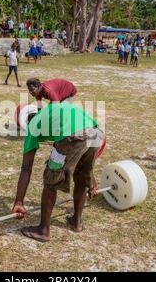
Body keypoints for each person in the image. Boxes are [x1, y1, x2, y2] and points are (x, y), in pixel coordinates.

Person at [11, 102, 104, 242]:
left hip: (73, 136)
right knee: (81, 175)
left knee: (50, 181)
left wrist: (19, 201)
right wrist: (91, 182)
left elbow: (26, 168)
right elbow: (86, 163)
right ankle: (76, 222)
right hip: (96, 133)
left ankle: (43, 230)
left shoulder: (33, 125)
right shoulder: (51, 112)